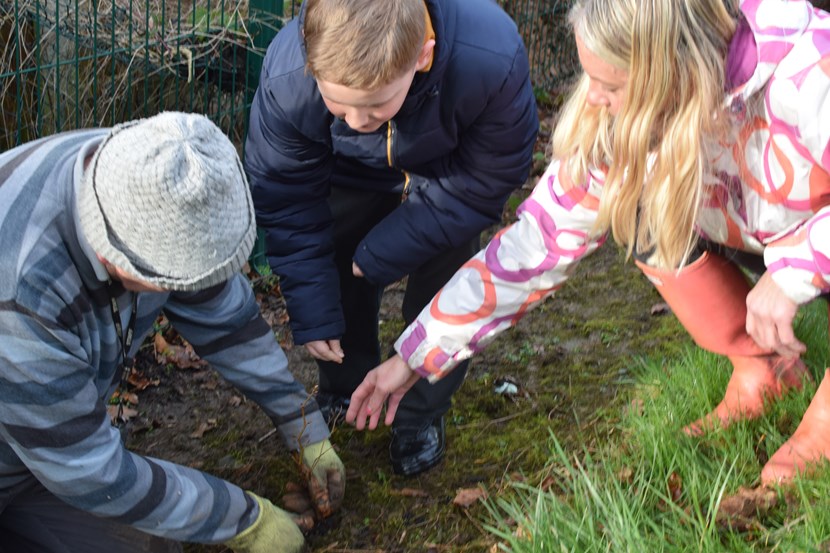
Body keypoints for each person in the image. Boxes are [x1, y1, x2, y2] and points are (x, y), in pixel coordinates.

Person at [346, 0, 830, 487]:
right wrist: (414, 356)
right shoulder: (620, 121)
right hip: (759, 226)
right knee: (637, 212)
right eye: (590, 77)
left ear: (672, 71)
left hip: (811, 229)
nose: (594, 98)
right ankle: (763, 370)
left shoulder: (811, 73)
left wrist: (796, 270)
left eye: (613, 86)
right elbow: (534, 247)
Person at [0, 112, 345, 553]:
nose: (190, 291)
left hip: (42, 449)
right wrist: (246, 521)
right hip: (42, 452)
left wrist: (304, 427)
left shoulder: (148, 172)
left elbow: (228, 319)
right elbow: (88, 470)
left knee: (157, 543)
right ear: (119, 261)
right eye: (175, 282)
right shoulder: (21, 290)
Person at [244, 0, 539, 476]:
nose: (359, 120)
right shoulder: (287, 77)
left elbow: (486, 179)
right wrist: (313, 309)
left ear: (422, 56)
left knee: (451, 269)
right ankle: (344, 385)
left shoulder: (490, 56)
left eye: (377, 103)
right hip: (350, 170)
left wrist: (382, 253)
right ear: (310, 62)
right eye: (338, 104)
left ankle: (419, 411)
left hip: (449, 178)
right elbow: (287, 195)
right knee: (335, 254)